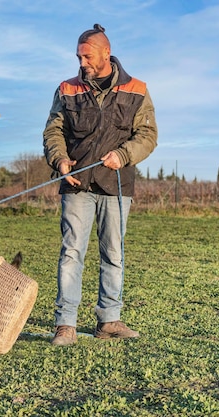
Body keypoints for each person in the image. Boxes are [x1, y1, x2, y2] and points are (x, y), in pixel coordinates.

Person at [43, 24, 157, 346]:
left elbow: (147, 136)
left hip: (117, 185)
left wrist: (124, 155)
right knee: (72, 252)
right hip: (76, 183)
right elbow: (53, 132)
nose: (82, 63)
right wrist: (60, 160)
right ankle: (65, 324)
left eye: (87, 56)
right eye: (79, 57)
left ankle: (109, 320)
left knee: (114, 254)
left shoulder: (137, 89)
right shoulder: (67, 89)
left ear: (106, 53)